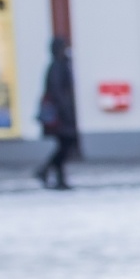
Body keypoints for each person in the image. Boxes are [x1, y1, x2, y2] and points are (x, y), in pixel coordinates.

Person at [34, 36, 78, 189]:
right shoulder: (57, 66)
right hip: (61, 114)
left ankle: (56, 177)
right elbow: (58, 91)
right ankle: (47, 172)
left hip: (61, 113)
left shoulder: (59, 65)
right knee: (65, 145)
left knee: (63, 146)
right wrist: (66, 111)